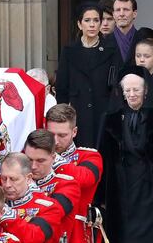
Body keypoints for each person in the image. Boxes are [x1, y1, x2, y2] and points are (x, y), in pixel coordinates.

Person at [97, 65, 153, 243]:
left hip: (152, 186)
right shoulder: (110, 118)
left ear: (145, 90)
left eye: (136, 89)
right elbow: (102, 157)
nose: (131, 94)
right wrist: (99, 196)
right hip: (122, 185)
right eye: (127, 90)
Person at [56, 1, 121, 148]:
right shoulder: (69, 51)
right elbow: (62, 87)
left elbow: (117, 86)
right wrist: (64, 117)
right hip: (77, 114)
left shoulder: (111, 50)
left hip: (103, 114)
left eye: (96, 20)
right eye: (87, 20)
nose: (92, 25)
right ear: (80, 24)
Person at [46, 103, 103, 243]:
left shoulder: (89, 156)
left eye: (62, 135)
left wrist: (51, 158)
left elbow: (86, 178)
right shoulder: (36, 159)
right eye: (51, 134)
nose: (55, 141)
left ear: (74, 132)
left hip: (76, 234)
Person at [23, 129, 81, 242]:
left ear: (54, 158)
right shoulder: (12, 181)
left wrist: (27, 185)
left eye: (40, 160)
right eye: (29, 159)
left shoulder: (68, 185)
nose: (33, 166)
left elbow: (53, 212)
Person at [0, 152, 64, 243]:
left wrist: (6, 214)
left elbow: (34, 238)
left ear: (28, 178)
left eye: (13, 179)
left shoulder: (49, 208)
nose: (7, 185)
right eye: (4, 178)